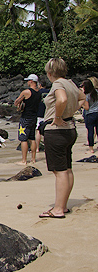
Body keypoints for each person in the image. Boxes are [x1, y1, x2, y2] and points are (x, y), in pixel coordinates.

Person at [39, 58, 85, 219]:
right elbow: (82, 98)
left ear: (50, 73)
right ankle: (63, 205)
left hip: (57, 130)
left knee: (59, 171)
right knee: (67, 168)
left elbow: (62, 99)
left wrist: (58, 116)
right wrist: (69, 112)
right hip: (70, 129)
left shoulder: (58, 84)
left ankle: (58, 208)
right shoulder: (71, 83)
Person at [13, 74, 42, 164]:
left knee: (23, 139)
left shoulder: (26, 92)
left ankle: (24, 160)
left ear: (31, 81)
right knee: (32, 138)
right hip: (34, 117)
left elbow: (16, 102)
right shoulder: (39, 92)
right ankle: (33, 159)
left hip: (26, 117)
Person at [81, 80, 98, 154]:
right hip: (97, 112)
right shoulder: (97, 92)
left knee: (90, 131)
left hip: (90, 114)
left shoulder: (86, 96)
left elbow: (87, 107)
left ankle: (91, 148)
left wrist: (81, 104)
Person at [35, 80, 50, 154]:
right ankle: (46, 148)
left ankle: (37, 148)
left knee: (38, 130)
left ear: (40, 85)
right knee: (46, 131)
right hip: (48, 113)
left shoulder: (38, 93)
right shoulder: (50, 91)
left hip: (39, 113)